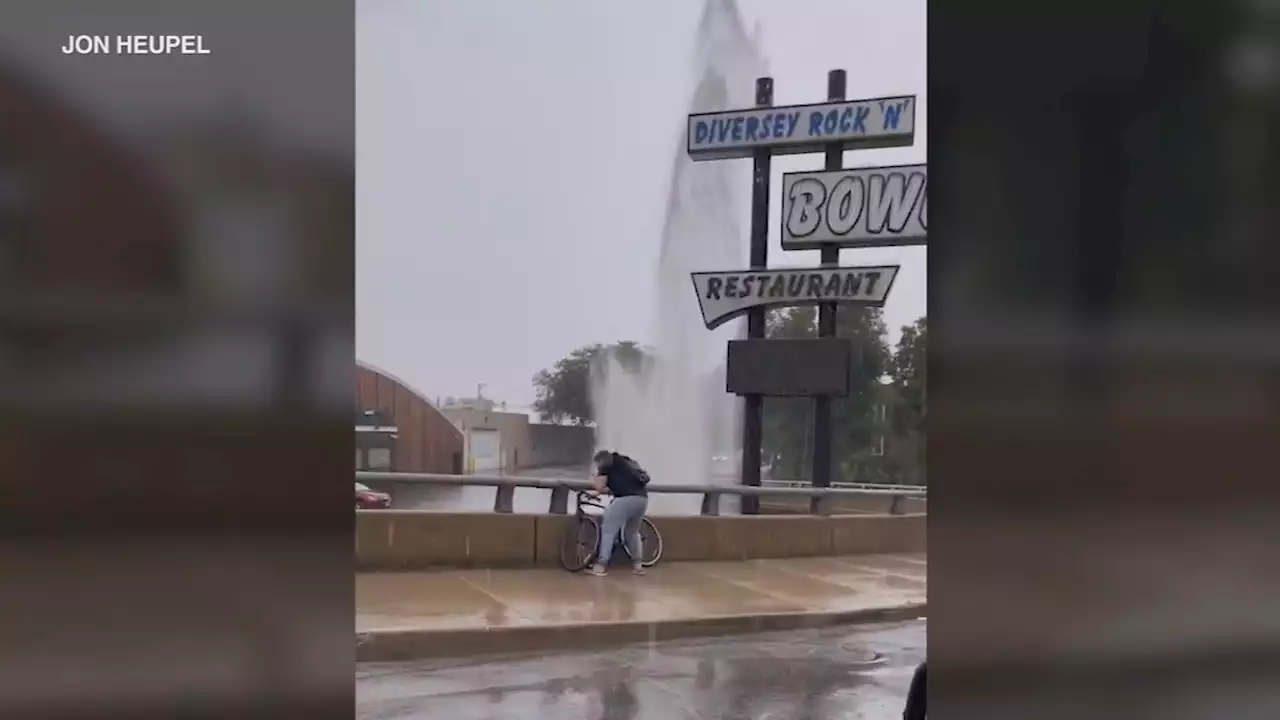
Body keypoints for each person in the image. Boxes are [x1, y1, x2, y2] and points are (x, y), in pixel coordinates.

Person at [586, 449, 649, 577]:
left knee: (608, 530)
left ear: (600, 461)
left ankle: (601, 565)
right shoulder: (625, 462)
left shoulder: (606, 466)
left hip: (624, 499)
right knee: (632, 532)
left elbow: (599, 487)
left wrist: (594, 475)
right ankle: (638, 566)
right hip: (642, 499)